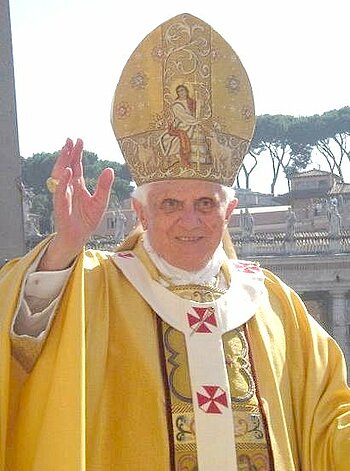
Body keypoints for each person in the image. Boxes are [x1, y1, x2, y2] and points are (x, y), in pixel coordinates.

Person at [1, 13, 350, 471]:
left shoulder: (272, 301)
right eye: (169, 205)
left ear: (228, 213)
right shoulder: (95, 288)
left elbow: (328, 420)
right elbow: (21, 350)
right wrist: (64, 246)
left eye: (205, 203)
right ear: (140, 213)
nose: (190, 220)